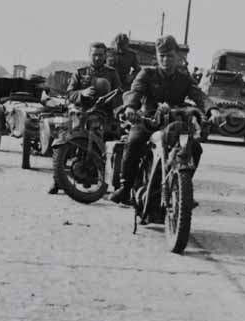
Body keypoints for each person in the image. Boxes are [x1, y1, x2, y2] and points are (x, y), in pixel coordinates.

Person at [108, 35, 220, 205]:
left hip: (174, 122)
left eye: (170, 56)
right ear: (157, 56)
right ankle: (125, 187)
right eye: (162, 56)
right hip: (148, 120)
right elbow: (135, 91)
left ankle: (182, 189)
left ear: (177, 57)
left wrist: (212, 110)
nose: (166, 60)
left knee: (195, 149)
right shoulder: (147, 73)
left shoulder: (184, 78)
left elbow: (199, 95)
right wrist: (130, 108)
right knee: (134, 141)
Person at [48, 42, 121, 194]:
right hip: (81, 112)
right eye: (94, 55)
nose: (97, 58)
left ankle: (99, 175)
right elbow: (70, 94)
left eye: (100, 55)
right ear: (89, 55)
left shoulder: (112, 73)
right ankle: (58, 178)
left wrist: (112, 104)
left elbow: (119, 95)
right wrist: (82, 93)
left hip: (102, 114)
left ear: (105, 56)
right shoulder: (80, 73)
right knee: (64, 138)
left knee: (109, 139)